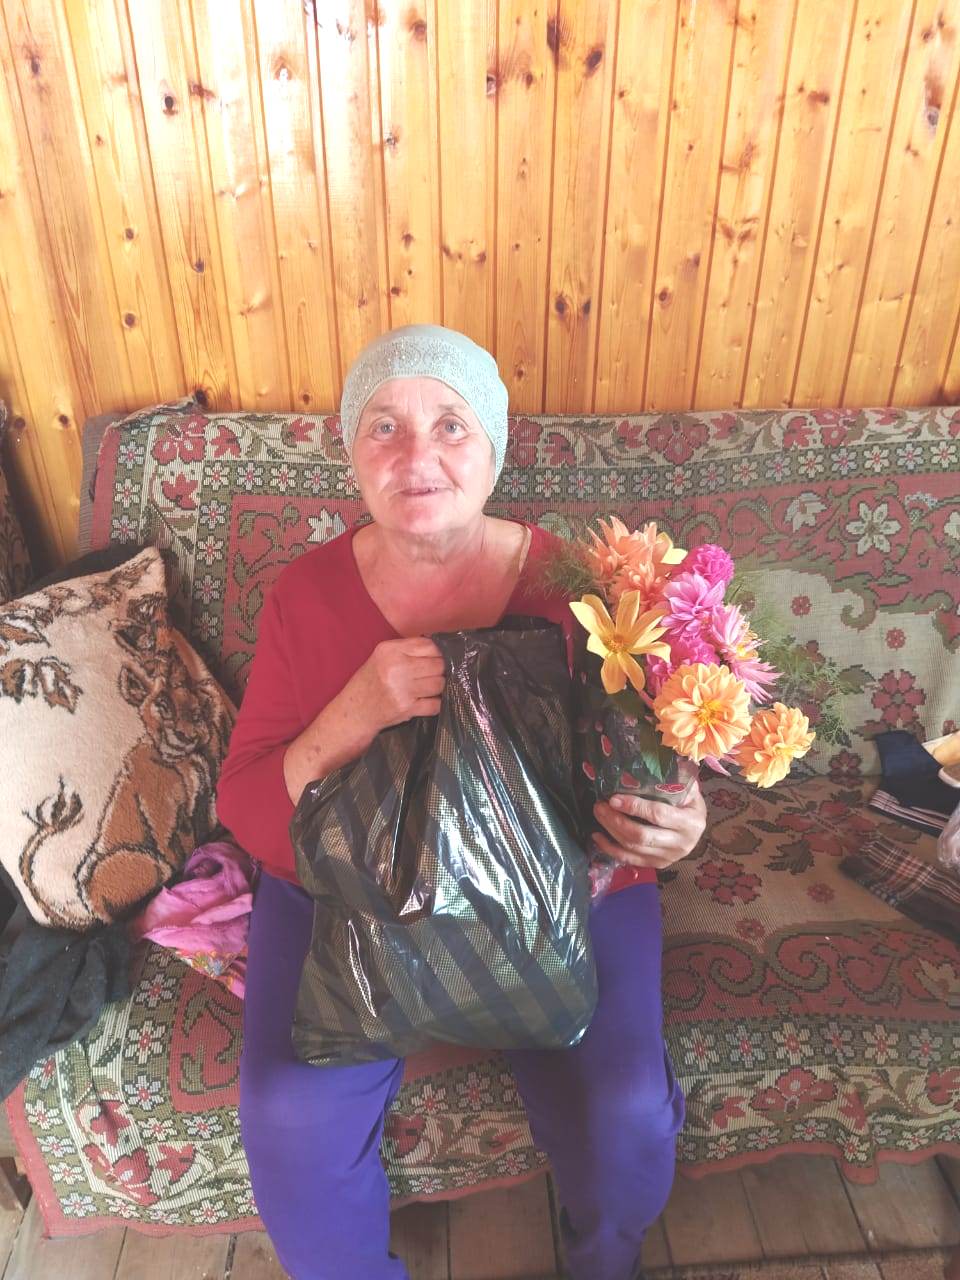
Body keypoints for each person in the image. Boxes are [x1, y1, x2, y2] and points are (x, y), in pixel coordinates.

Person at [216, 323, 707, 1280]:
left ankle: (601, 1263)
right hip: (353, 894)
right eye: (384, 427)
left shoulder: (587, 592)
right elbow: (248, 807)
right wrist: (352, 712)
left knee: (625, 1115)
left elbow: (656, 768)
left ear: (494, 449)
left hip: (557, 890)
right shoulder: (306, 596)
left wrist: (678, 822)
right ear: (352, 455)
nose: (418, 456)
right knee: (286, 1111)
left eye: (451, 425)